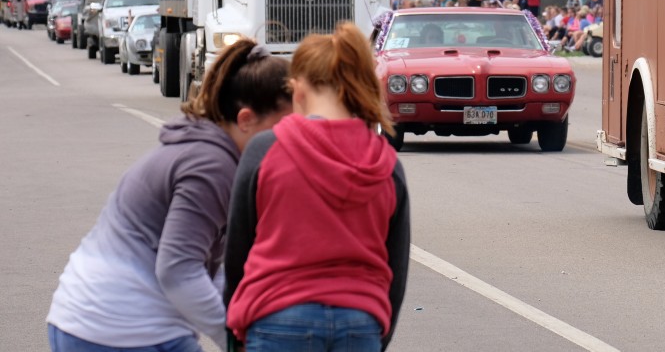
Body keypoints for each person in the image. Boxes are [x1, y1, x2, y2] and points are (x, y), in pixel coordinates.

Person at [47, 40, 290, 352]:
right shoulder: (210, 165)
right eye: (282, 127)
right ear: (245, 120)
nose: (288, 138)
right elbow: (178, 269)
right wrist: (234, 339)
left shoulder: (211, 152)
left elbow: (211, 269)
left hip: (91, 321)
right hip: (118, 331)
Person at [224, 22, 410, 352]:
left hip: (277, 314)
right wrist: (378, 333)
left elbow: (238, 249)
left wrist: (234, 332)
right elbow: (395, 265)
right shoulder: (386, 163)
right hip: (359, 319)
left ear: (298, 91)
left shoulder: (266, 150)